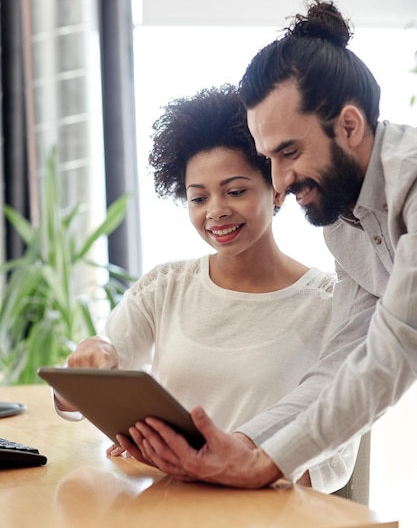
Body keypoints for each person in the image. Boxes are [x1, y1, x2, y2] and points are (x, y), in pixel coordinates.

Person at [120, 0, 417, 489]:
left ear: (349, 125)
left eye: (289, 152)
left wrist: (265, 463)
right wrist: (246, 445)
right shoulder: (345, 225)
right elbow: (341, 363)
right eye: (268, 158)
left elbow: (397, 347)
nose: (278, 182)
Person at [53, 84, 359, 493]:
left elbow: (334, 464)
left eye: (235, 191)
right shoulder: (165, 288)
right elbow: (73, 404)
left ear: (277, 189)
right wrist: (91, 360)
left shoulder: (330, 305)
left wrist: (232, 467)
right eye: (198, 198)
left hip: (269, 517)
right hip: (169, 506)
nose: (216, 211)